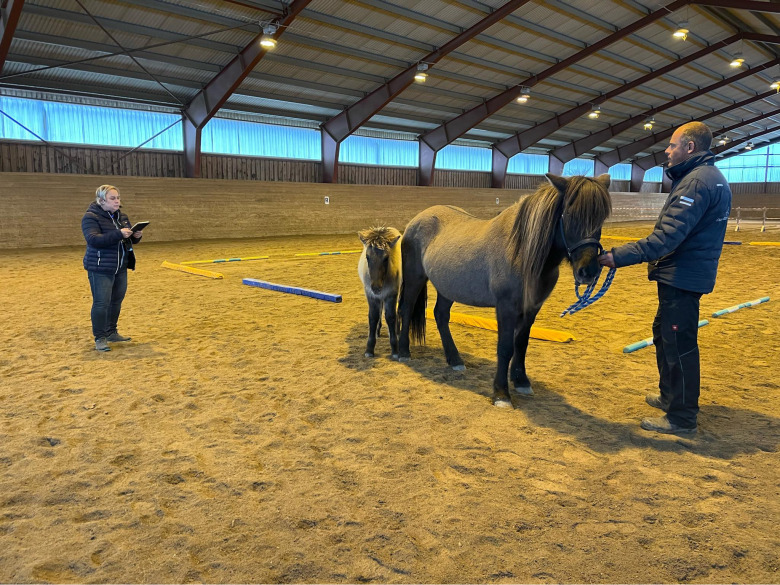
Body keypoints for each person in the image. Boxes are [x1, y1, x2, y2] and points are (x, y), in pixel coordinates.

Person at [599, 121, 731, 435]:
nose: (667, 151)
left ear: (690, 147)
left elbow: (666, 238)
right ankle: (670, 396)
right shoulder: (705, 177)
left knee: (679, 344)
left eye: (673, 145)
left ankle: (682, 418)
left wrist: (617, 257)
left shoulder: (696, 182)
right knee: (664, 333)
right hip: (685, 273)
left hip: (682, 276)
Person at [82, 185, 143, 352]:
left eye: (118, 198)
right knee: (101, 303)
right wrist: (118, 234)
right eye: (113, 198)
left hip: (120, 267)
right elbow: (93, 239)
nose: (117, 201)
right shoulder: (90, 217)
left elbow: (126, 240)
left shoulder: (122, 217)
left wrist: (135, 236)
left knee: (116, 301)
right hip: (100, 268)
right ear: (101, 200)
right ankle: (100, 338)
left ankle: (111, 332)